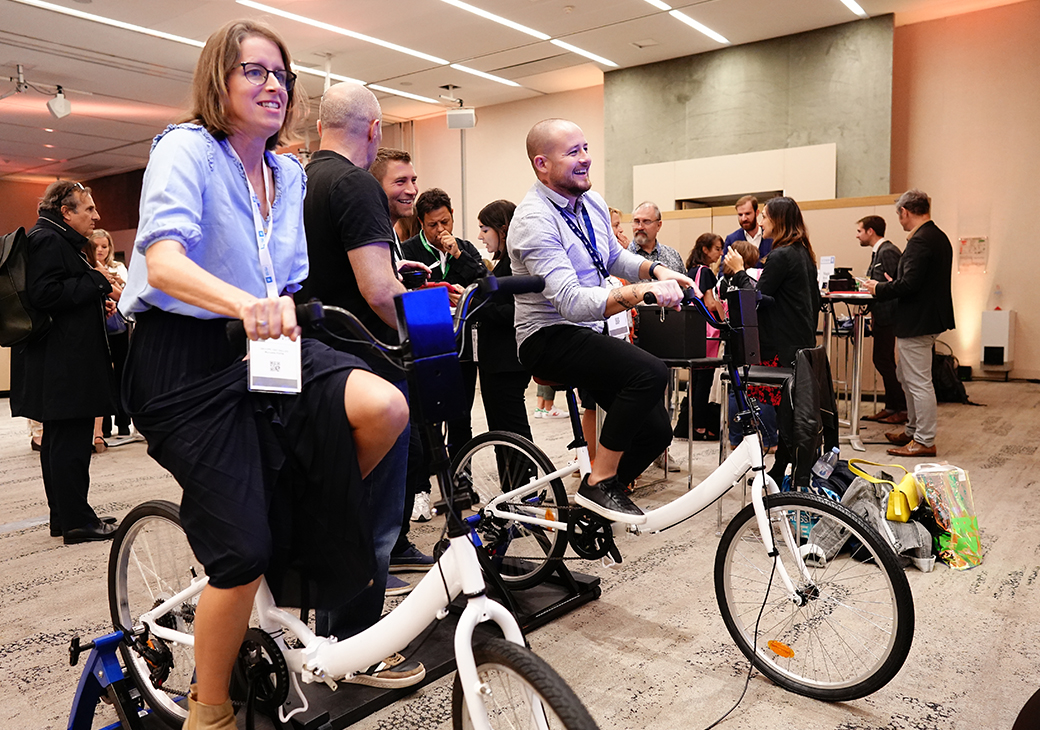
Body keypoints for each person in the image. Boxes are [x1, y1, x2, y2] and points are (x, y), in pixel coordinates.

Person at [117, 20, 410, 727]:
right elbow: (164, 262)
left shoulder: (290, 173)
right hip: (184, 361)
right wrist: (245, 304)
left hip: (267, 349)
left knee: (386, 408)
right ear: (218, 79)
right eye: (255, 71)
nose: (273, 84)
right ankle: (210, 707)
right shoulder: (185, 149)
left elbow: (286, 282)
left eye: (281, 74)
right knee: (243, 553)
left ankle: (296, 525)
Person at [297, 84, 432, 651]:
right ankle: (359, 644)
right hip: (366, 365)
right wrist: (428, 325)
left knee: (337, 506)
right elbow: (378, 290)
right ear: (375, 130)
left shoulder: (299, 180)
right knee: (373, 517)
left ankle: (331, 637)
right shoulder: (355, 183)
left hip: (315, 363)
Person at [510, 118, 692, 524]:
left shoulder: (590, 202)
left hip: (588, 333)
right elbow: (571, 302)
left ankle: (591, 508)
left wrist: (657, 271)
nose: (585, 159)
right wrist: (641, 292)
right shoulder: (533, 220)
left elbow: (613, 257)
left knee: (655, 432)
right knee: (649, 372)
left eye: (586, 148)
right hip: (547, 336)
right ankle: (600, 482)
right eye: (572, 152)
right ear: (542, 164)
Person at [10, 180, 119, 544]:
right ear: (66, 212)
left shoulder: (51, 238)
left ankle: (66, 516)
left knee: (59, 443)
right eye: (88, 209)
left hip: (59, 361)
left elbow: (58, 294)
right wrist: (97, 282)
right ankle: (77, 522)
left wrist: (93, 300)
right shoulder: (50, 240)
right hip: (65, 364)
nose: (96, 216)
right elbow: (45, 293)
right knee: (70, 445)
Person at [722, 196, 820, 482]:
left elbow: (755, 299)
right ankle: (781, 469)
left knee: (784, 412)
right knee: (788, 411)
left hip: (781, 345)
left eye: (764, 216)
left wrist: (739, 271)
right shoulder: (803, 253)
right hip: (799, 342)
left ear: (778, 220)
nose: (760, 221)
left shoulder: (781, 255)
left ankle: (781, 469)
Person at [370, 147, 435, 525]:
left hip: (399, 357)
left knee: (413, 448)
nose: (411, 189)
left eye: (413, 180)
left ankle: (398, 537)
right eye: (400, 182)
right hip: (379, 358)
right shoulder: (376, 229)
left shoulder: (390, 234)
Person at [866, 189, 955, 458]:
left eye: (899, 215)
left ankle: (924, 440)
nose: (900, 220)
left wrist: (879, 288)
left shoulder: (920, 240)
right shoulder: (937, 236)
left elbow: (909, 284)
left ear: (905, 212)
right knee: (906, 376)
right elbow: (917, 280)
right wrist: (895, 282)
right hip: (926, 317)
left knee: (918, 382)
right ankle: (913, 430)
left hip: (918, 320)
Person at [401, 188, 486, 460]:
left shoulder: (465, 249)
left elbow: (485, 283)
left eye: (445, 222)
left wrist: (459, 255)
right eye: (432, 225)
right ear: (420, 223)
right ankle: (430, 471)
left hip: (461, 344)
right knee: (427, 418)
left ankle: (462, 474)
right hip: (424, 343)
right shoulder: (408, 251)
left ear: (452, 215)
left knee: (461, 416)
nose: (440, 230)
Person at [474, 199, 534, 445]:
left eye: (484, 229)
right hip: (496, 362)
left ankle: (526, 471)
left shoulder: (515, 265)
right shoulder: (504, 263)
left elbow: (516, 312)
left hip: (507, 363)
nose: (480, 236)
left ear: (503, 229)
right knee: (501, 435)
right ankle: (511, 472)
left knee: (513, 434)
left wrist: (477, 305)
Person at [856, 215, 907, 424]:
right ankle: (892, 406)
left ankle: (901, 408)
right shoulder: (879, 252)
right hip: (881, 315)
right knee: (883, 360)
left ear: (870, 231)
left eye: (859, 231)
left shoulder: (887, 252)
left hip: (889, 316)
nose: (857, 235)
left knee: (883, 360)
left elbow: (897, 284)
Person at [672, 232, 724, 441]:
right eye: (717, 249)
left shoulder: (691, 271)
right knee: (704, 380)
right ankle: (699, 425)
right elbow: (710, 303)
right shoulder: (706, 272)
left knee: (695, 380)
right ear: (705, 249)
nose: (720, 253)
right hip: (707, 330)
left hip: (692, 328)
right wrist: (723, 311)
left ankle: (689, 424)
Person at [90, 228, 134, 444]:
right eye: (96, 246)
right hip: (96, 327)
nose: (100, 250)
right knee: (101, 375)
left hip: (118, 327)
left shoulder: (118, 268)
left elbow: (126, 296)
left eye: (104, 246)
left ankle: (124, 422)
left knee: (122, 372)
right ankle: (103, 427)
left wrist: (115, 281)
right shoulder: (87, 267)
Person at [627, 201, 685, 274]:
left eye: (646, 221)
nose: (640, 227)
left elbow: (684, 281)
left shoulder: (673, 255)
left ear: (658, 225)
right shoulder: (624, 256)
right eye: (636, 221)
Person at [721, 195, 773, 266]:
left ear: (757, 213)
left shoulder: (771, 237)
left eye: (747, 214)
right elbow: (723, 268)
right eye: (740, 215)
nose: (744, 218)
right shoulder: (731, 239)